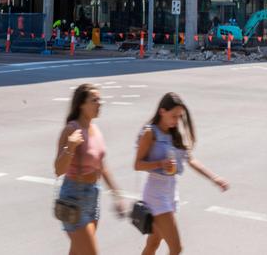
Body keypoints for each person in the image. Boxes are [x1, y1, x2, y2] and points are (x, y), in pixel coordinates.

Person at [134, 92, 229, 255]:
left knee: (153, 243)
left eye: (179, 117)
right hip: (155, 194)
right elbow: (137, 164)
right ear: (162, 111)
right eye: (174, 116)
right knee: (176, 248)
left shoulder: (174, 134)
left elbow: (191, 160)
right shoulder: (150, 133)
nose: (176, 121)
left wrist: (214, 178)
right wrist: (160, 163)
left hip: (171, 192)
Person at [54, 83, 126, 255]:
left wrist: (117, 194)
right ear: (81, 104)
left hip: (92, 196)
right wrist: (70, 147)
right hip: (74, 198)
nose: (99, 103)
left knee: (78, 252)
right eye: (94, 100)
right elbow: (58, 170)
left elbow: (101, 165)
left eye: (99, 100)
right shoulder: (71, 129)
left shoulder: (94, 128)